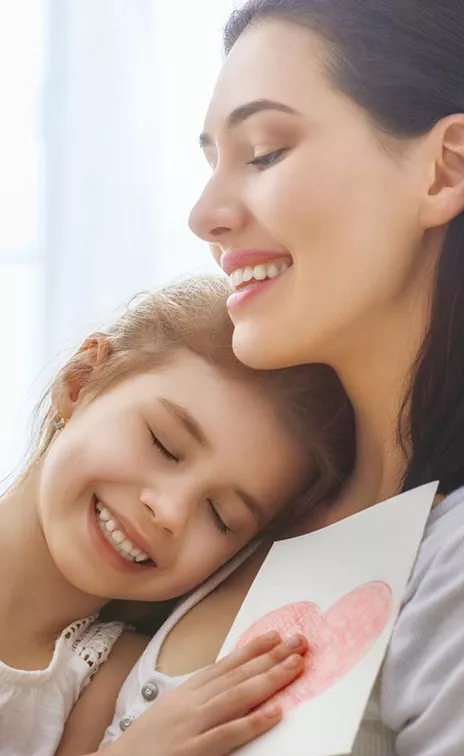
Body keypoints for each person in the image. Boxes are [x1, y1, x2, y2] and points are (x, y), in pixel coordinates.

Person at [105, 0, 464, 754]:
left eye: (262, 152)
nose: (205, 214)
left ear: (444, 169)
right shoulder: (248, 509)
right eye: (210, 162)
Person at [0, 274, 354, 756]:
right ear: (80, 380)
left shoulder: (109, 684)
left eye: (220, 515)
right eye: (164, 445)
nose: (168, 511)